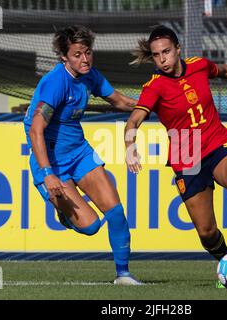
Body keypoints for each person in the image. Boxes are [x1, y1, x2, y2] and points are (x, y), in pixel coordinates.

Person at [124, 25, 227, 285]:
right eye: (156, 55)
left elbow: (226, 71)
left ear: (178, 49)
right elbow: (133, 122)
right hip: (187, 157)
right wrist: (130, 148)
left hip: (217, 143)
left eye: (166, 51)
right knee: (207, 232)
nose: (162, 59)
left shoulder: (198, 65)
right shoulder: (154, 87)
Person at [24, 25, 141, 285]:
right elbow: (35, 131)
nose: (84, 59)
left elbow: (120, 101)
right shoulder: (55, 82)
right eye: (77, 54)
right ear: (64, 57)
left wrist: (153, 102)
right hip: (51, 163)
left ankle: (123, 275)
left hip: (79, 153)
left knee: (116, 213)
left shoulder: (90, 76)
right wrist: (47, 174)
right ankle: (64, 213)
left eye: (87, 52)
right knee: (90, 227)